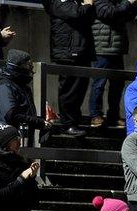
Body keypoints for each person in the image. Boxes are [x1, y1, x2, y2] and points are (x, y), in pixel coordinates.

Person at [43, 0, 96, 137]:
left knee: (80, 88)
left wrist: (87, 7)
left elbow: (90, 18)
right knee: (69, 90)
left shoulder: (77, 3)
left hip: (82, 51)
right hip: (68, 52)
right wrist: (88, 5)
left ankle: (74, 121)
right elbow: (76, 13)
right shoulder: (58, 3)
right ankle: (67, 124)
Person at [89, 0, 137, 128]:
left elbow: (127, 16)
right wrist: (128, 2)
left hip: (117, 49)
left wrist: (135, 6)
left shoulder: (119, 2)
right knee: (99, 83)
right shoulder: (100, 1)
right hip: (102, 48)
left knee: (117, 84)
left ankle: (113, 115)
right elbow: (109, 13)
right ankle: (95, 115)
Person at [0, 49, 51, 131]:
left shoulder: (23, 86)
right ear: (17, 66)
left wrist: (41, 121)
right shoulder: (5, 85)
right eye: (28, 65)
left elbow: (26, 114)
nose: (31, 69)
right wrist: (38, 122)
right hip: (11, 137)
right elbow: (11, 115)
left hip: (24, 136)